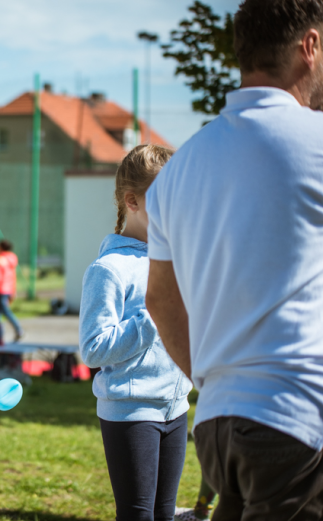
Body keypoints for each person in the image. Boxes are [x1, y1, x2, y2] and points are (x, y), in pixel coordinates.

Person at [144, 1, 323, 519]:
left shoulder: (182, 165)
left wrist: (213, 377)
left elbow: (159, 297)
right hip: (298, 420)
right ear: (309, 47)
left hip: (220, 422)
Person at [79, 144, 192, 521]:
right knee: (138, 514)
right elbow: (93, 349)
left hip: (176, 407)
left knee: (165, 514)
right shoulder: (109, 269)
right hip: (131, 412)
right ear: (132, 201)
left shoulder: (176, 260)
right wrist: (153, 316)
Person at [0, 240, 22, 342]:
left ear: (1, 248)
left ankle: (18, 329)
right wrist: (13, 291)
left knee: (5, 311)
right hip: (8, 289)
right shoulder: (12, 259)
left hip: (1, 290)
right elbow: (13, 277)